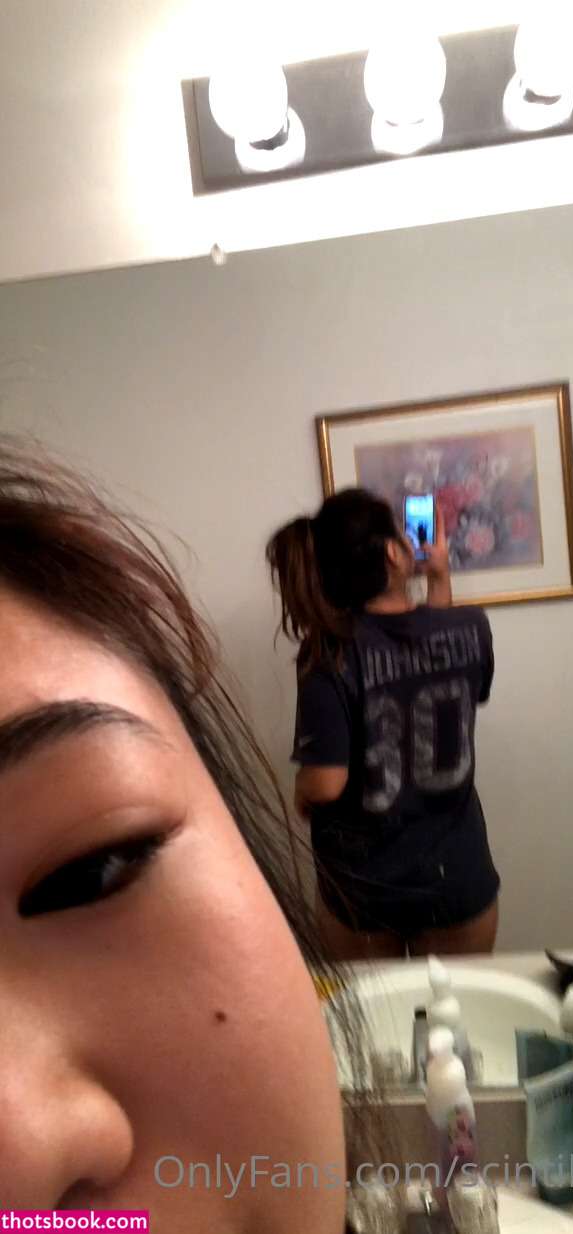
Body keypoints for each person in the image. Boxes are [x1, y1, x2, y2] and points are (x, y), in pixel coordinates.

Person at [0, 438, 397, 1234]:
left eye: (92, 868)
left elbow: (323, 786)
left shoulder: (330, 669)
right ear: (390, 556)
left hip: (369, 879)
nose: (23, 1157)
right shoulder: (462, 632)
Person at [266, 487, 500, 962]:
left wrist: (302, 789)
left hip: (364, 888)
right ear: (393, 553)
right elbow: (434, 651)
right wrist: (439, 576)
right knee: (455, 1006)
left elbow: (325, 784)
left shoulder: (328, 653)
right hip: (453, 875)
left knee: (374, 1013)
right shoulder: (471, 628)